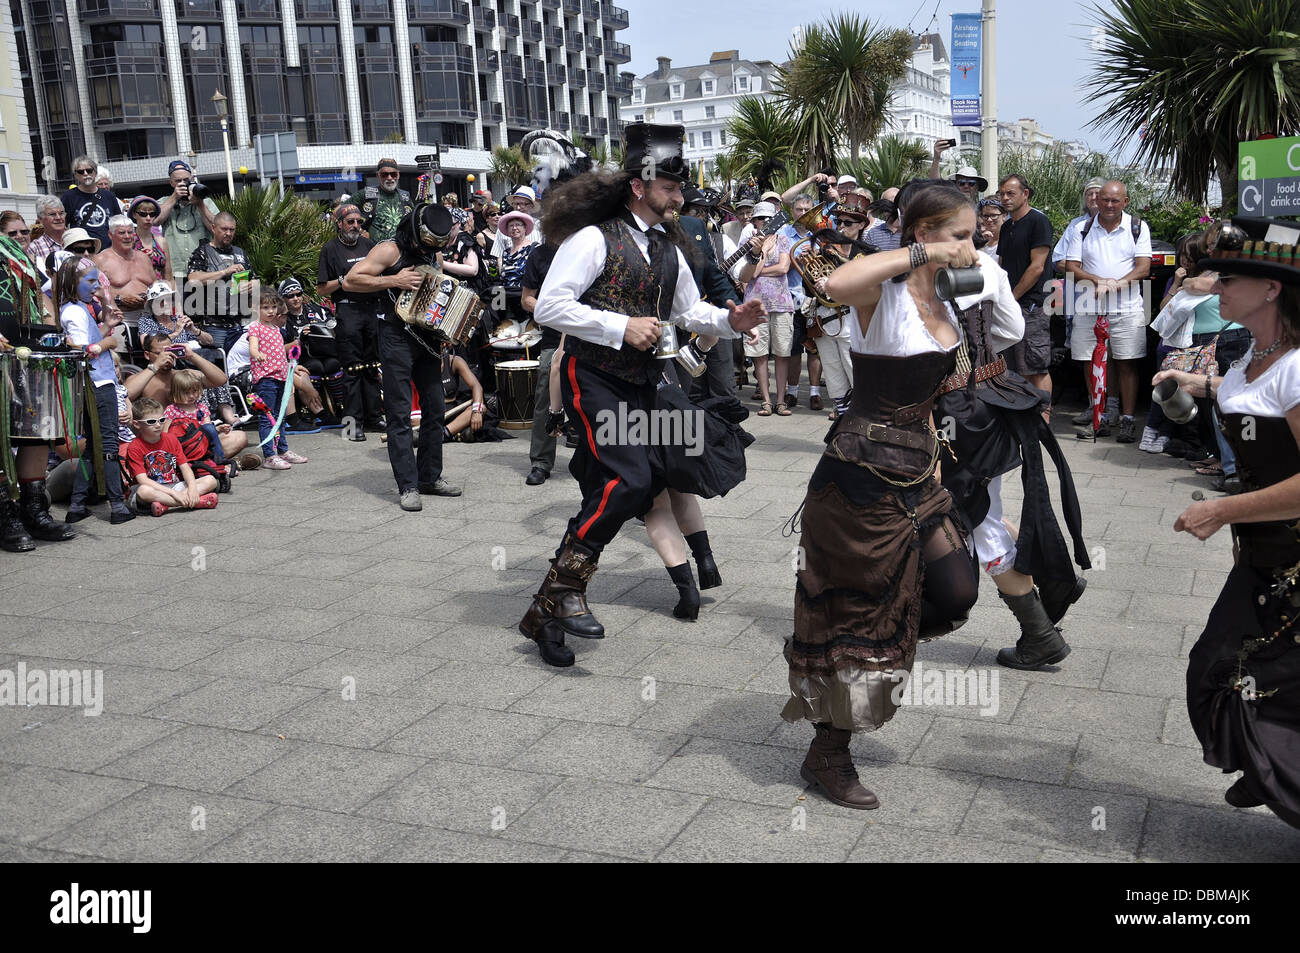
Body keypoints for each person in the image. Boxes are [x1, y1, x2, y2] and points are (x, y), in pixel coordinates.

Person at [517, 122, 766, 667]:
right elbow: (549, 307)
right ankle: (561, 595)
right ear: (639, 185)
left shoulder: (668, 246)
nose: (680, 196)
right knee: (629, 482)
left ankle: (548, 608)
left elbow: (689, 312)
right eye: (671, 186)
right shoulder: (592, 238)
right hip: (595, 377)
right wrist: (620, 326)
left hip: (645, 383)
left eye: (681, 188)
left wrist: (732, 319)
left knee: (618, 488)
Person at [782, 183, 983, 809]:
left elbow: (934, 396)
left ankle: (873, 660)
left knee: (955, 591)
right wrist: (921, 257)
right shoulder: (883, 292)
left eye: (974, 233)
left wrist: (939, 480)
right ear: (922, 235)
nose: (971, 246)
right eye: (959, 235)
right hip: (858, 478)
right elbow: (836, 285)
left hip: (920, 473)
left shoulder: (950, 296)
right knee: (861, 618)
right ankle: (829, 751)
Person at [1155, 215, 1300, 829]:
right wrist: (1196, 384)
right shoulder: (1253, 359)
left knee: (1248, 675)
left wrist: (1220, 509)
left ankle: (1278, 774)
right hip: (1265, 553)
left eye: (1229, 280)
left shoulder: (1296, 368)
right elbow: (1240, 400)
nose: (1216, 289)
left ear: (1270, 289)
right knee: (1225, 670)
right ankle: (1272, 772)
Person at [934, 243, 1091, 670]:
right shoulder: (986, 262)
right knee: (981, 507)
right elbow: (1011, 329)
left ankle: (1040, 633)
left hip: (952, 408)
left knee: (975, 519)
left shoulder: (908, 269)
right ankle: (1053, 573)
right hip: (992, 394)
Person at [341, 203, 465, 510]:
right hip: (395, 337)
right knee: (398, 413)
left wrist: (446, 329)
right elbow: (351, 280)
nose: (430, 250)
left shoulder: (433, 253)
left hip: (427, 340)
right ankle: (408, 486)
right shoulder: (389, 250)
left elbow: (435, 293)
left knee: (435, 408)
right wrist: (392, 281)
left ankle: (430, 477)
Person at [0, 233, 78, 548]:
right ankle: (7, 515)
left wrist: (53, 329)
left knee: (35, 432)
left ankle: (34, 511)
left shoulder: (11, 247)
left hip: (27, 351)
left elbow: (38, 294)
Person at [1062, 180, 1152, 442]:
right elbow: (1071, 267)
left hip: (1126, 307)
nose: (1109, 205)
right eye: (1105, 200)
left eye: (1115, 200)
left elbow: (1143, 267)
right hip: (1088, 307)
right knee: (1091, 363)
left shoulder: (1137, 227)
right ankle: (1097, 418)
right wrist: (1099, 282)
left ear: (1125, 202)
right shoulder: (1082, 228)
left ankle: (1127, 419)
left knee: (1127, 363)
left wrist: (1116, 285)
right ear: (1096, 201)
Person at [55, 256, 135, 524]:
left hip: (94, 382)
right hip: (97, 384)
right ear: (72, 282)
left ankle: (77, 505)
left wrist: (106, 327)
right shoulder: (74, 311)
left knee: (92, 447)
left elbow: (88, 341)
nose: (95, 286)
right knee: (109, 444)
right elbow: (82, 349)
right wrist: (108, 342)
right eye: (90, 282)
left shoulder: (77, 307)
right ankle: (117, 506)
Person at [318, 203, 384, 439]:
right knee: (351, 369)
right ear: (339, 224)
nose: (356, 226)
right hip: (348, 312)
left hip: (371, 310)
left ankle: (374, 418)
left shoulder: (369, 245)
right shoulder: (330, 249)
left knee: (372, 366)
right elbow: (321, 290)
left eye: (358, 222)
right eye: (350, 222)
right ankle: (351, 426)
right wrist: (345, 278)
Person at [995, 174, 1055, 402]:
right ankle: (1023, 418)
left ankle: (1043, 423)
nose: (1005, 198)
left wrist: (1011, 298)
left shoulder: (1038, 221)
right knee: (1014, 369)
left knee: (1036, 368)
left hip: (1033, 306)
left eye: (1011, 193)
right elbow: (1002, 265)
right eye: (1002, 194)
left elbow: (1037, 267)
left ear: (1025, 193)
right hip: (1010, 305)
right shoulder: (1008, 225)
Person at [736, 200, 794, 416]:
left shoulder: (784, 239)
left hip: (781, 303)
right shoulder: (749, 244)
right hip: (755, 305)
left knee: (782, 352)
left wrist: (758, 270)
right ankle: (766, 401)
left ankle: (781, 400)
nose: (764, 222)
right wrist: (761, 254)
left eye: (768, 218)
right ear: (755, 222)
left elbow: (784, 267)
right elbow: (745, 275)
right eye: (760, 218)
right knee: (759, 354)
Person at [124, 397, 219, 516]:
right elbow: (143, 480)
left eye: (162, 420)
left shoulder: (171, 439)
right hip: (153, 489)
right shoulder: (134, 447)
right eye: (151, 422)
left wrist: (192, 487)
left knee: (210, 480)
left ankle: (165, 505)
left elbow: (185, 467)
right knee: (143, 491)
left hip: (174, 485)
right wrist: (174, 494)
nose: (158, 425)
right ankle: (197, 502)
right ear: (137, 424)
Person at [279, 277, 343, 428]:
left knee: (333, 364)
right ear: (283, 298)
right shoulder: (281, 318)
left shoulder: (316, 310)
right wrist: (300, 339)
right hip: (298, 357)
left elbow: (334, 326)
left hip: (324, 351)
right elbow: (279, 348)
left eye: (298, 294)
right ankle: (310, 411)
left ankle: (340, 406)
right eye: (290, 296)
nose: (295, 298)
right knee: (315, 367)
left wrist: (320, 328)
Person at [155, 160, 218, 293]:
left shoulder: (205, 201)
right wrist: (174, 198)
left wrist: (200, 204)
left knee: (205, 310)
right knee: (181, 311)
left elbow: (216, 228)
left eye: (186, 179)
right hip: (176, 270)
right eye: (178, 181)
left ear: (192, 179)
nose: (183, 183)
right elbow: (155, 220)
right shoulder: (164, 201)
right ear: (171, 183)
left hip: (203, 269)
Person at [93, 215, 156, 343]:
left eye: (130, 232)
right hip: (120, 320)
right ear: (110, 235)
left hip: (149, 318)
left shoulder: (144, 257)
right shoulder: (101, 260)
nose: (127, 236)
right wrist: (119, 299)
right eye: (122, 233)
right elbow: (94, 295)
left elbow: (156, 286)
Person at [186, 211, 255, 329]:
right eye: (224, 229)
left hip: (239, 323)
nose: (228, 233)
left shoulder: (240, 253)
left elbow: (254, 279)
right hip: (212, 323)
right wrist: (224, 272)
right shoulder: (203, 252)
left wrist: (251, 285)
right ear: (213, 228)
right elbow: (193, 280)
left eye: (232, 230)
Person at [62, 155, 122, 247]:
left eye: (89, 170)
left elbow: (118, 223)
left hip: (108, 250)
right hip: (82, 250)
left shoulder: (109, 196)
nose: (86, 174)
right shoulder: (69, 196)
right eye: (81, 172)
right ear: (76, 175)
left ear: (95, 172)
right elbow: (62, 225)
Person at [350, 158, 414, 244]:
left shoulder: (405, 196)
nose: (389, 178)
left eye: (393, 174)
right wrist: (360, 231)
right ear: (378, 175)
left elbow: (414, 219)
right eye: (384, 175)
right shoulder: (367, 193)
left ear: (398, 175)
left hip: (402, 251)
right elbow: (340, 211)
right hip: (375, 250)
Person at [128, 195, 171, 282]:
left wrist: (175, 295)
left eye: (152, 214)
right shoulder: (127, 241)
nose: (148, 218)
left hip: (161, 290)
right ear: (134, 215)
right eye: (143, 214)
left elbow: (168, 276)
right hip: (136, 290)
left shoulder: (161, 241)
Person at [28, 196, 67, 276]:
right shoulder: (34, 248)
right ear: (40, 219)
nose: (58, 218)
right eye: (52, 214)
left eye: (61, 213)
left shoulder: (75, 240)